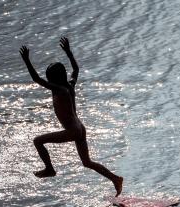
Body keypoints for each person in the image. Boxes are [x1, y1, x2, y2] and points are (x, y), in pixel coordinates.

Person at [19, 37, 123, 196]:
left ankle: (49, 169)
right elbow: (76, 69)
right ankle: (115, 179)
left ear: (52, 79)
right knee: (87, 162)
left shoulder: (58, 89)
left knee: (38, 141)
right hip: (80, 128)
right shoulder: (70, 84)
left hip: (73, 130)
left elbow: (36, 79)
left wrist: (26, 60)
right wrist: (68, 52)